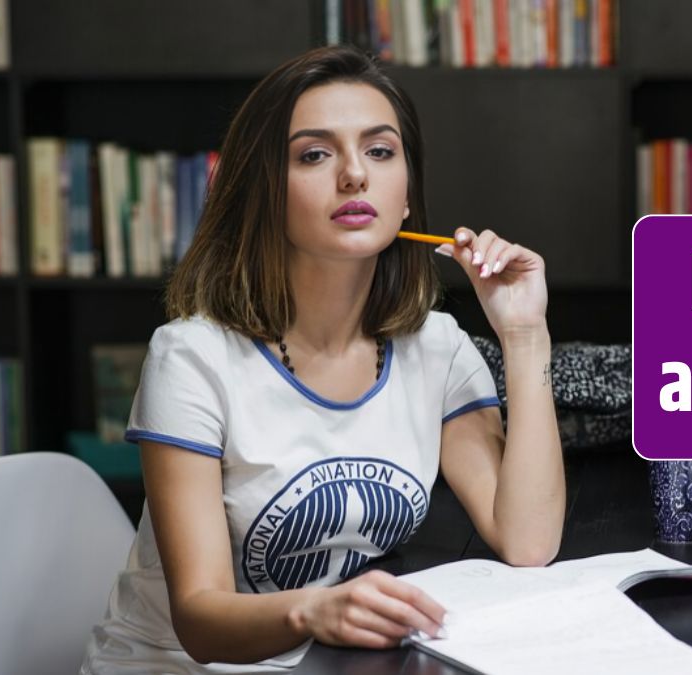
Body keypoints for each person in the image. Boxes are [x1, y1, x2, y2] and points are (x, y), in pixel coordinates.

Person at [81, 45, 565, 674]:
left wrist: (525, 335)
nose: (354, 175)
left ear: (408, 194)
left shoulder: (437, 347)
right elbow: (199, 619)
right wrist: (314, 611)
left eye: (380, 150)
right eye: (314, 154)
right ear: (263, 190)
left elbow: (527, 542)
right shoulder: (193, 358)